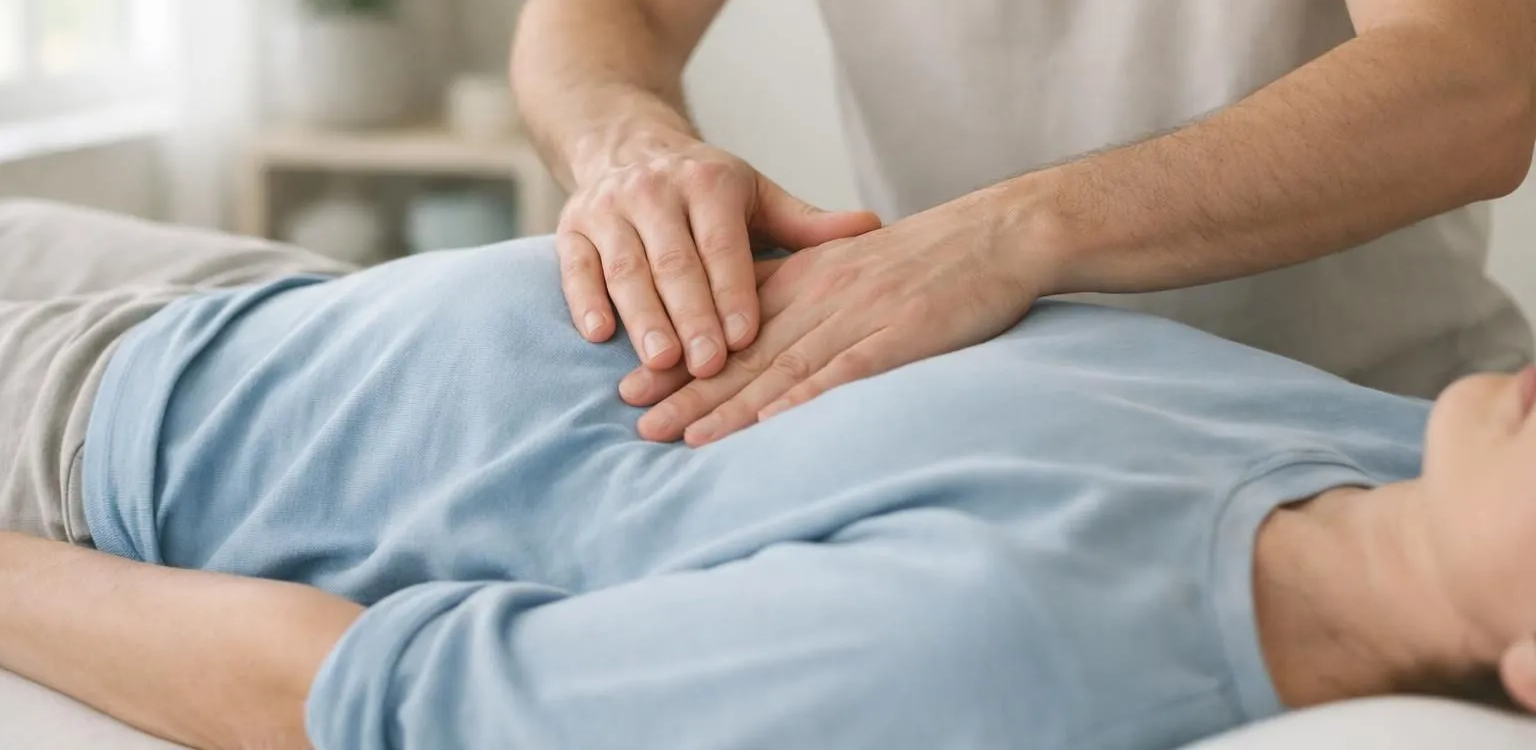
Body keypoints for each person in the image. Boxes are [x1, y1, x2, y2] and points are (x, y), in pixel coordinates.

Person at [0, 199, 1534, 750]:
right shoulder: (1402, 448)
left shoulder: (1014, 635)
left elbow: (369, 703)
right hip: (284, 306)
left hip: (110, 432)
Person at [510, 0, 1536, 448]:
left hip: (1369, 435)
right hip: (986, 441)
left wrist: (1012, 236)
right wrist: (635, 152)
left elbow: (1471, 82)